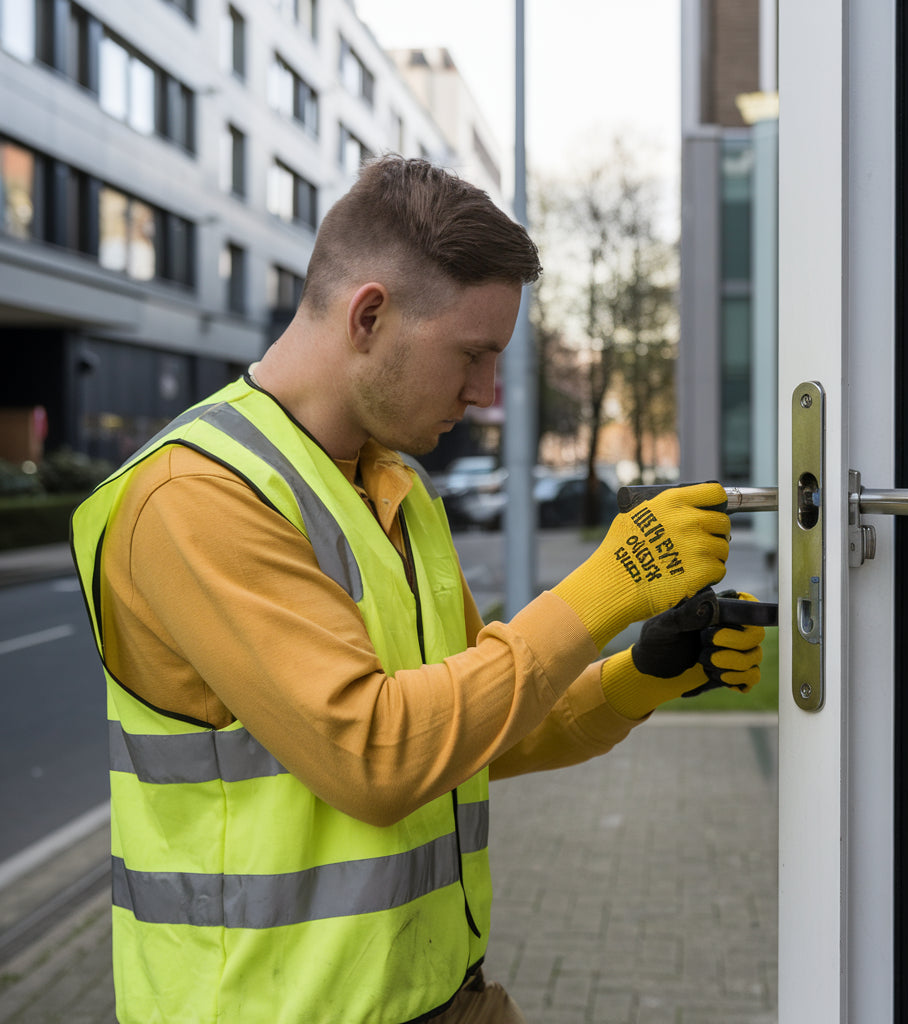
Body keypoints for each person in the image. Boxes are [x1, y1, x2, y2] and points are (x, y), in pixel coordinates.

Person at [71, 155, 765, 1024]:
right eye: (474, 355)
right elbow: (378, 756)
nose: (486, 394)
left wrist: (644, 673)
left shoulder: (392, 486)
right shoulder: (197, 497)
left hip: (442, 997)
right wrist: (608, 586)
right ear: (370, 315)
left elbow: (472, 732)